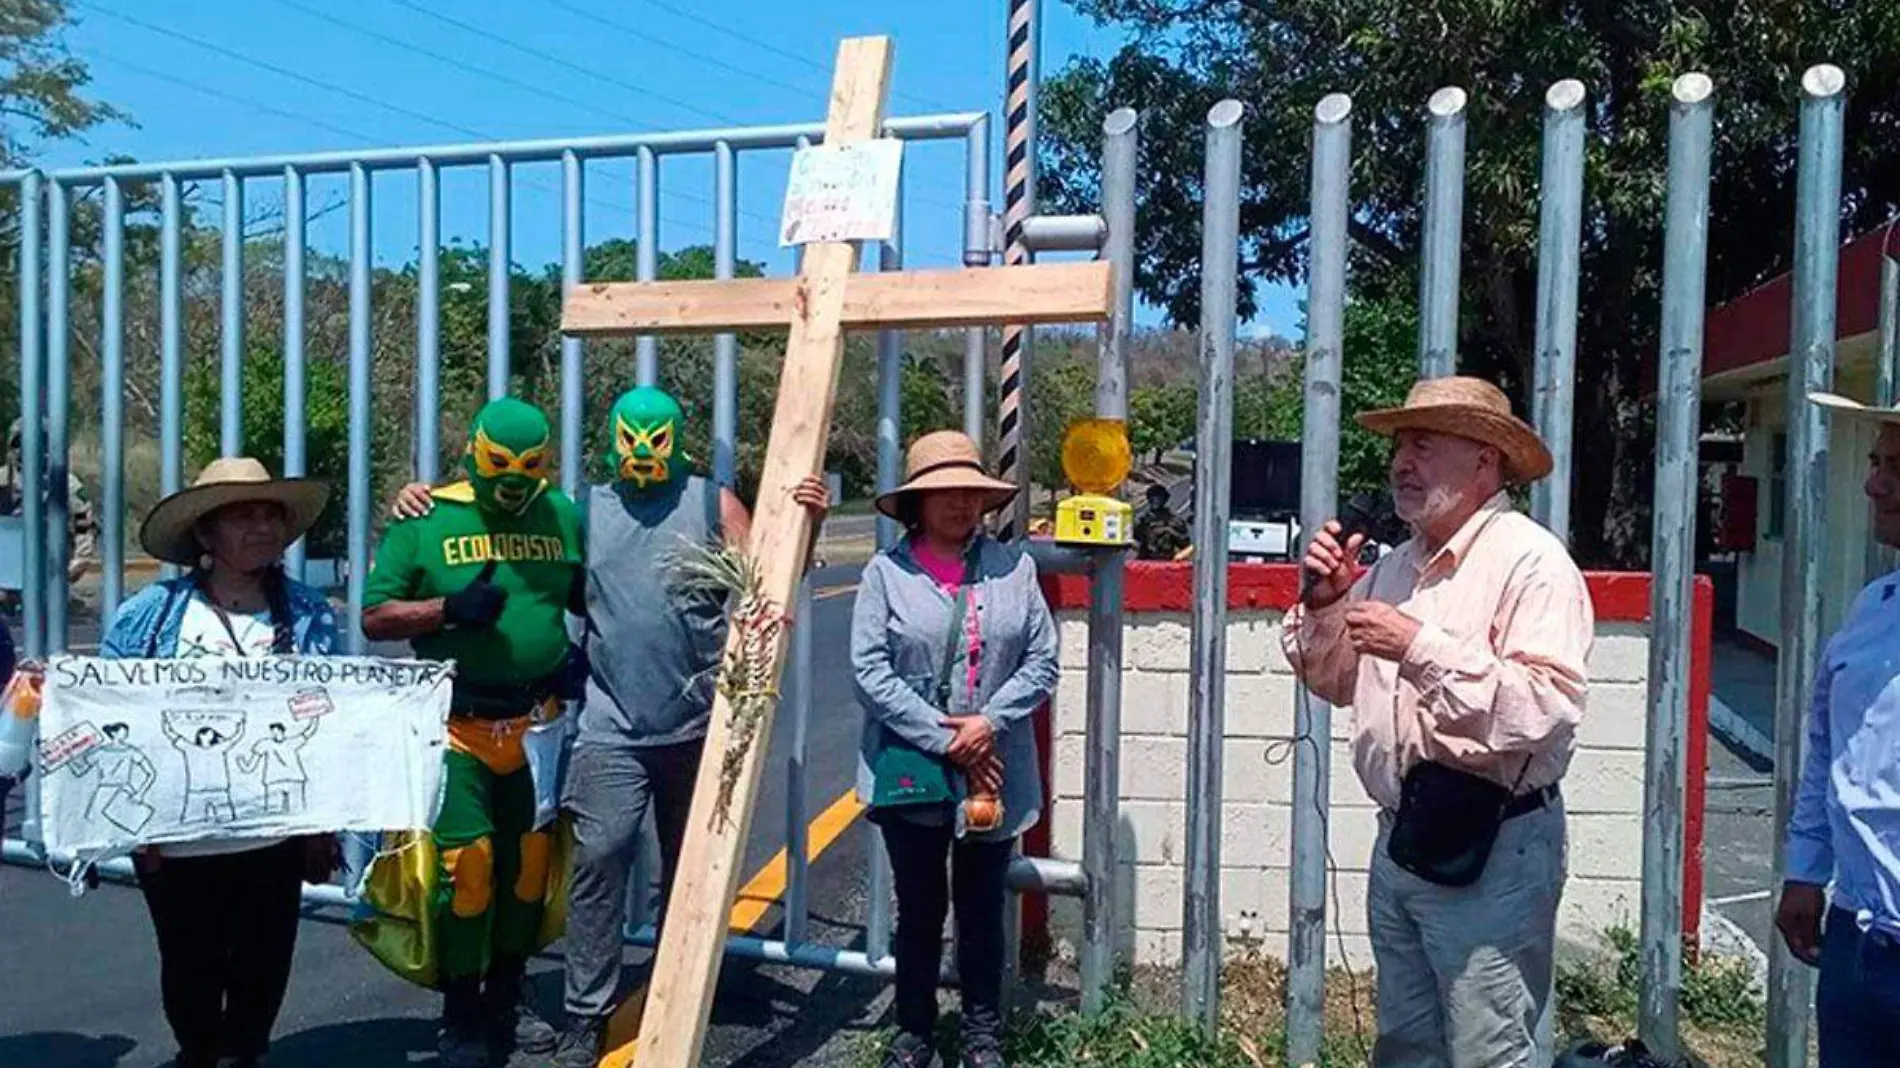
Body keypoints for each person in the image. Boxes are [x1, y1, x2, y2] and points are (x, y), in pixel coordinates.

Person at [387, 385, 831, 1068]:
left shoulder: (713, 503)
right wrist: (426, 497)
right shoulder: (587, 508)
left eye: (658, 438)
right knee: (598, 859)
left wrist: (811, 524)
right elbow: (518, 537)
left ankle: (686, 989)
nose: (645, 453)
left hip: (699, 726)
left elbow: (773, 578)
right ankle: (585, 1013)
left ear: (679, 436)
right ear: (612, 437)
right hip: (609, 725)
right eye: (633, 437)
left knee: (695, 871)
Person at [1282, 376, 1591, 1068]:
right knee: (1406, 1047)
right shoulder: (1395, 568)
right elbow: (1334, 681)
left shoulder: (1532, 562)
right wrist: (1327, 604)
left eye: (1423, 444)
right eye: (1399, 446)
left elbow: (1547, 707)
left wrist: (1418, 648)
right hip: (1403, 838)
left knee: (1489, 1051)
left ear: (1486, 459)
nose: (1401, 462)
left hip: (1494, 848)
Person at [95, 456, 339, 1068]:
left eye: (270, 515)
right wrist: (135, 828)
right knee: (189, 966)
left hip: (271, 834)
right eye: (243, 516)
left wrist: (322, 824)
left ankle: (244, 1054)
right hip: (177, 839)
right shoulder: (150, 615)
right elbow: (108, 710)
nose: (262, 528)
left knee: (263, 967)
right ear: (205, 534)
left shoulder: (309, 614)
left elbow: (332, 721)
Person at [360, 396, 583, 1068]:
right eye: (499, 464)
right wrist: (445, 609)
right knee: (471, 867)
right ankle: (460, 1010)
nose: (513, 479)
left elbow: (591, 595)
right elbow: (375, 616)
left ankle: (508, 995)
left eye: (529, 466)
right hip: (456, 723)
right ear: (475, 453)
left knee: (529, 871)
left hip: (537, 723)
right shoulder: (429, 515)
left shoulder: (562, 513)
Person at [852, 430, 1059, 1068]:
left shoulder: (1014, 568)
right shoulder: (885, 573)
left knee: (980, 909)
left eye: (970, 492)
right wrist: (948, 736)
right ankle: (913, 1029)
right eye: (945, 493)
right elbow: (869, 670)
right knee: (919, 910)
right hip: (915, 770)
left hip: (993, 770)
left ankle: (980, 1031)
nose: (961, 504)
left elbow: (1042, 659)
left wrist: (986, 724)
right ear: (917, 503)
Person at [1777, 392, 1900, 1064]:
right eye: (1877, 461)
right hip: (1856, 944)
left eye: (1897, 467)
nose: (1872, 482)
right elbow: (1831, 750)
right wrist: (1805, 870)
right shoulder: (1873, 609)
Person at [1133, 482, 1190, 561]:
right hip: (1145, 563)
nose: (1156, 500)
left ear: (1164, 499)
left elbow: (1185, 545)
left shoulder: (1174, 520)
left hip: (1167, 563)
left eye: (1159, 497)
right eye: (1152, 497)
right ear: (1149, 499)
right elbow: (1132, 540)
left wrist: (1170, 532)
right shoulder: (1142, 519)